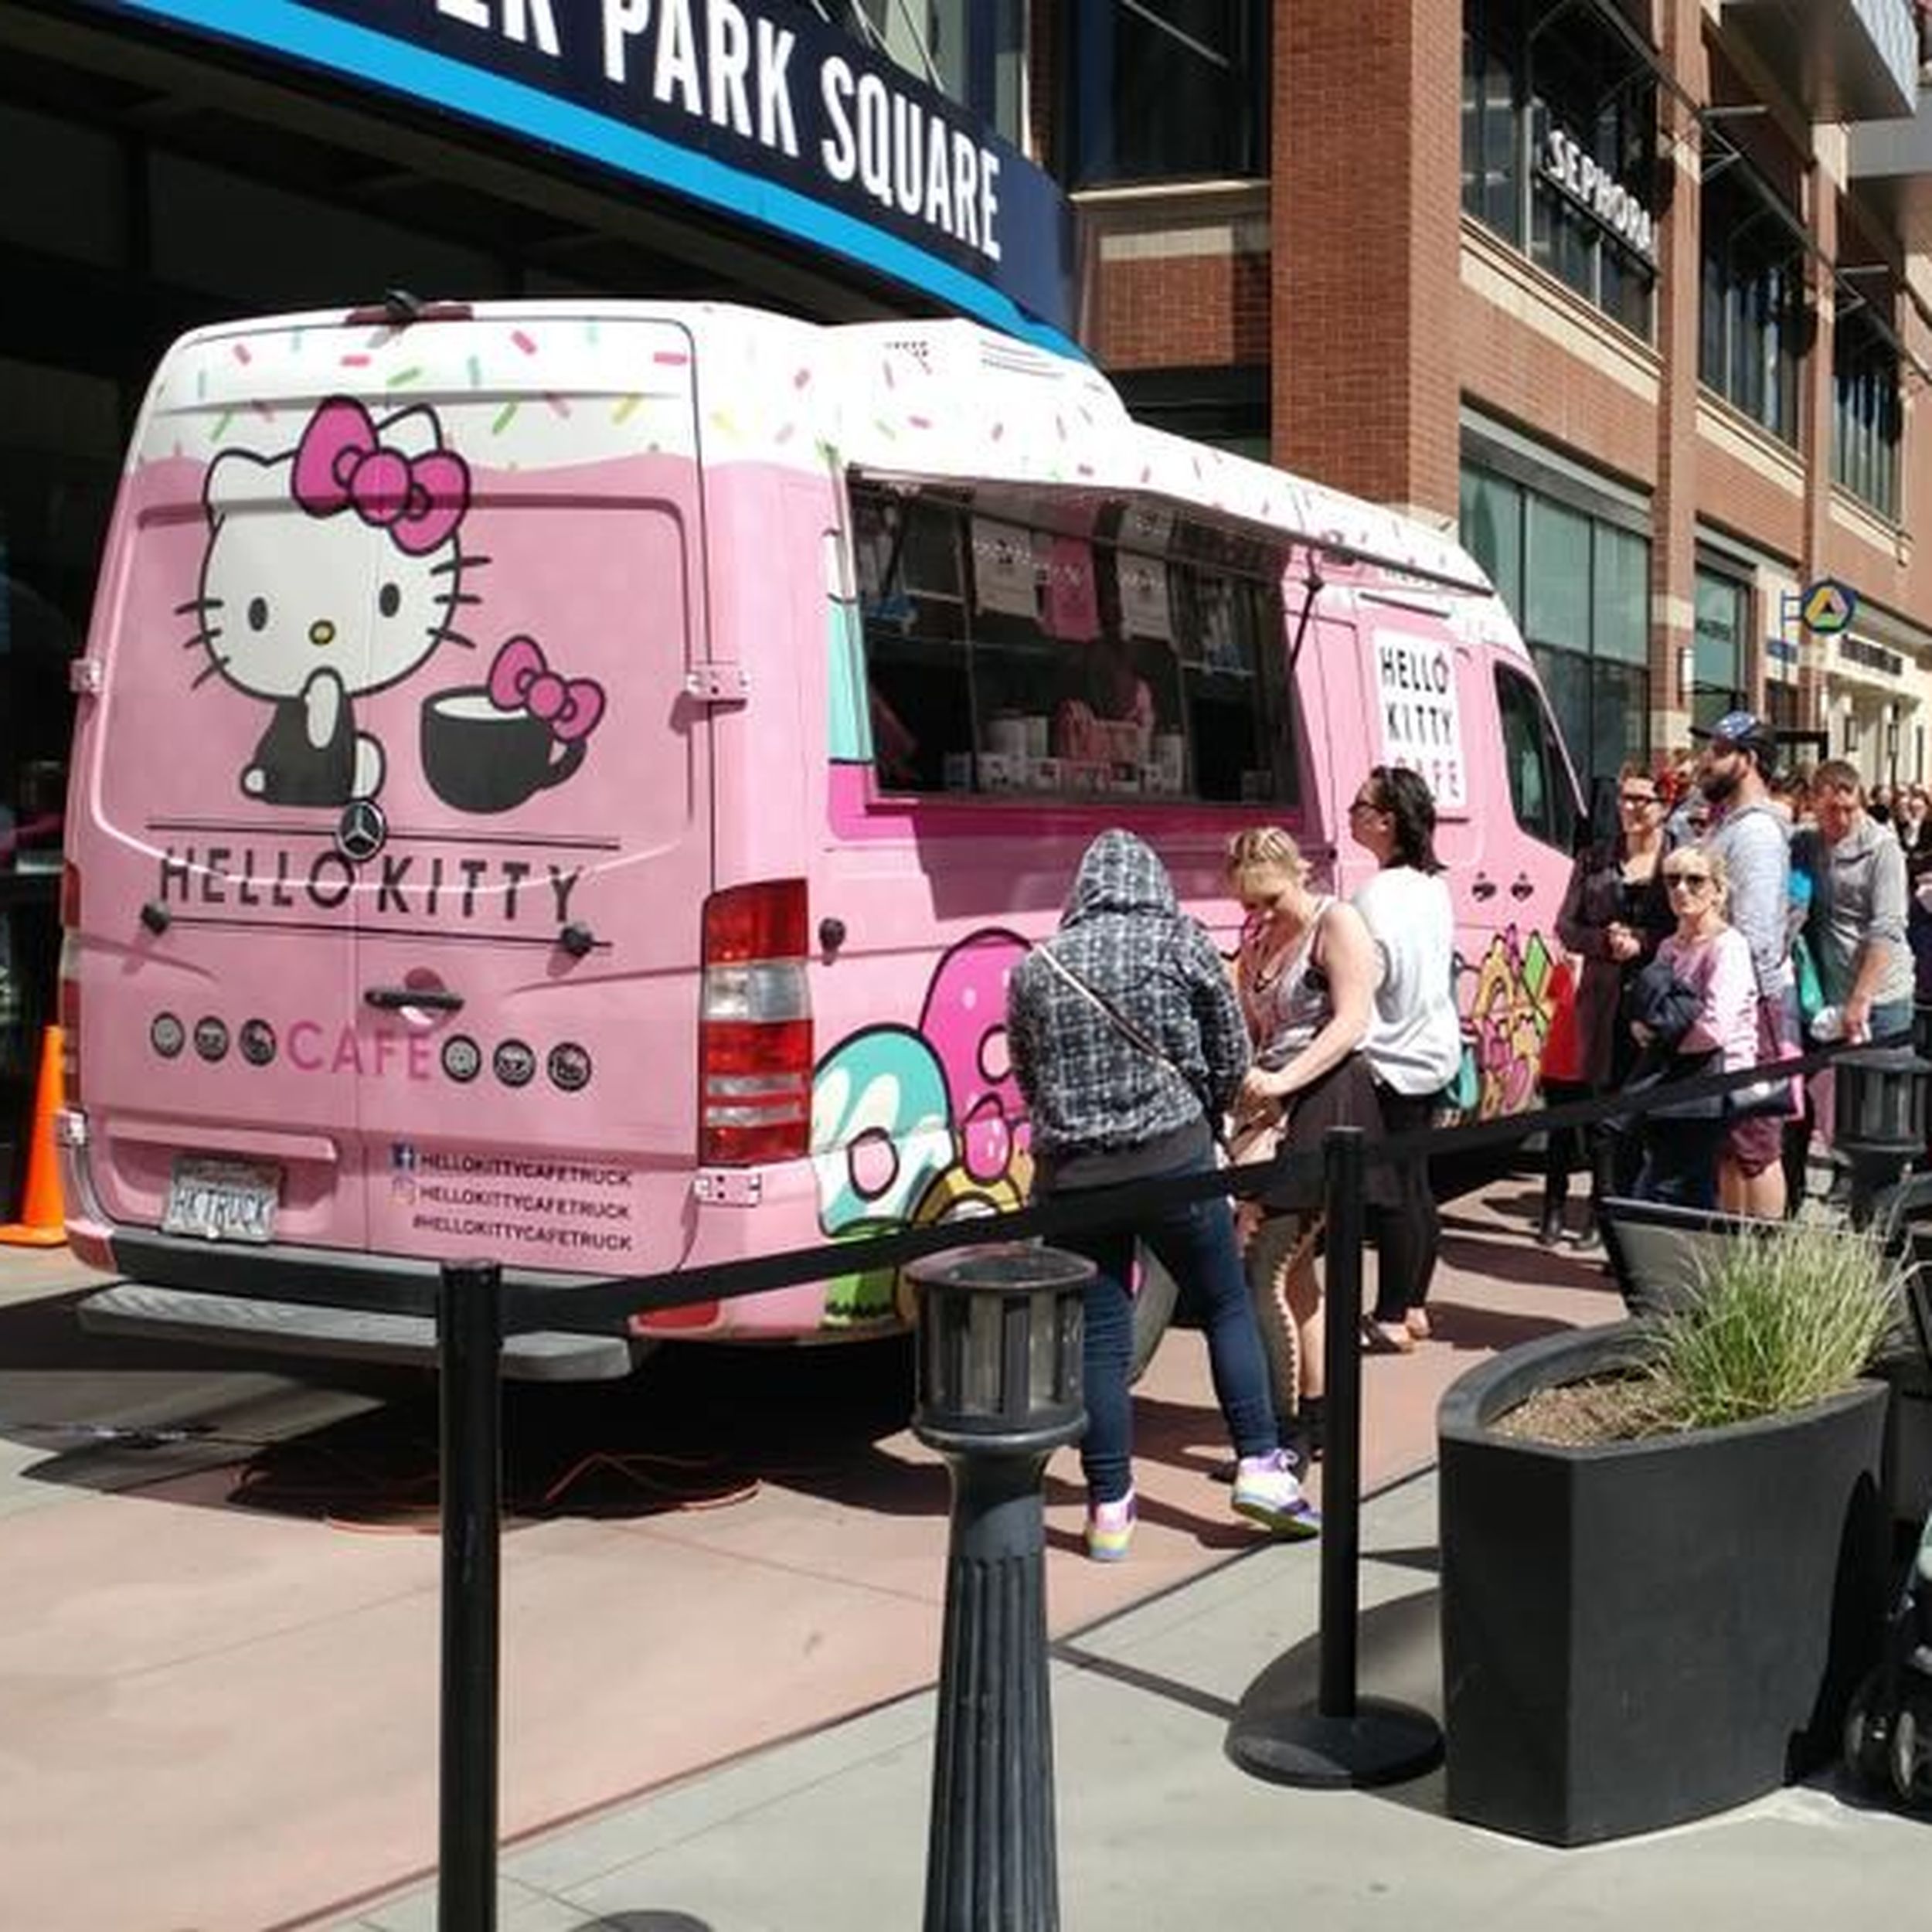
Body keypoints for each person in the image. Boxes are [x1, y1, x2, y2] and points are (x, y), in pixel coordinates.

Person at [1006, 829, 1319, 1560]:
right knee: (1224, 1304)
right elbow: (1230, 1056)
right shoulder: (1181, 946)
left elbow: (1027, 1076)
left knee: (1103, 1336)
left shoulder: (1039, 965)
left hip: (1074, 1179)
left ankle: (1108, 1507)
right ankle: (1261, 1470)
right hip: (1176, 1160)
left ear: (1085, 887)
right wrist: (1209, 1115)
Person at [1223, 826, 1386, 1456]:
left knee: (1267, 1270)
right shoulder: (1262, 939)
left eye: (1270, 898)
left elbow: (1352, 1021)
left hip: (1327, 1103)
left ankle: (1279, 1436)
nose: (1261, 913)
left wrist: (1282, 1079)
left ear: (1298, 875)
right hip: (1274, 1110)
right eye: (1249, 904)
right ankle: (1314, 1421)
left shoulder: (1335, 921)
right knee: (1292, 1279)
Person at [1348, 767, 1462, 1352]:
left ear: (1387, 820)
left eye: (1360, 805)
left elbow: (1369, 974)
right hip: (1432, 1048)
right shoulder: (1432, 885)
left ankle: (1390, 1315)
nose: (1351, 813)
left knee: (1392, 1190)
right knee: (1418, 1184)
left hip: (1390, 1053)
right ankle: (1414, 1303)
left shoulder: (1374, 895)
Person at [1539, 760, 1672, 1246]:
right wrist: (1604, 941)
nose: (1631, 808)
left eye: (1642, 799)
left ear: (1665, 806)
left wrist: (1643, 941)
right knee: (1601, 1108)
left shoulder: (1678, 864)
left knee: (1645, 1111)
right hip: (1600, 998)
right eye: (1625, 798)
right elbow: (1566, 926)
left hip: (1656, 999)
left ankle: (1627, 1217)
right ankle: (1598, 1210)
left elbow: (1690, 929)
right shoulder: (1595, 859)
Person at [1698, 710, 1794, 1216]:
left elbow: (1756, 934)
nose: (1705, 761)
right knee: (1731, 1145)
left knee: (1755, 1141)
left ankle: (1764, 1267)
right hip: (1730, 1002)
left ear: (1749, 760)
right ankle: (1737, 1258)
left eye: (1717, 751)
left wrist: (1737, 1008)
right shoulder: (1728, 826)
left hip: (1749, 1006)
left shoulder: (1755, 834)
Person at [1630, 846, 1757, 1209]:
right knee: (1669, 1179)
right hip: (1672, 1079)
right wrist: (1641, 1028)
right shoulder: (1669, 947)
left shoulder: (1728, 947)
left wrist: (1663, 1043)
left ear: (1718, 890)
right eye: (1673, 881)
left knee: (1680, 1183)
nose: (1681, 889)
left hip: (1715, 1082)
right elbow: (1646, 1007)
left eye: (1695, 880)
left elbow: (1715, 1027)